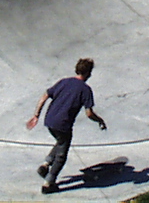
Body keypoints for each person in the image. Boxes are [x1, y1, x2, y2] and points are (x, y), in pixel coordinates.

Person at [26, 58, 107, 195]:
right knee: (62, 155)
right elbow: (89, 113)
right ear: (87, 72)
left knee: (61, 141)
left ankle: (46, 165)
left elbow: (45, 96)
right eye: (90, 72)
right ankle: (48, 184)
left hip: (50, 120)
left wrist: (36, 115)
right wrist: (100, 120)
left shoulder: (64, 82)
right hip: (63, 124)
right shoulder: (85, 89)